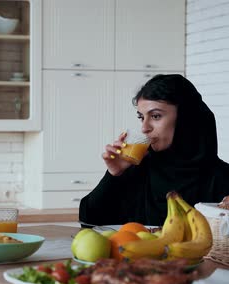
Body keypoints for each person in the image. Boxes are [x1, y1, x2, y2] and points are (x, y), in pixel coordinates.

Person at [79, 74, 229, 226]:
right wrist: (113, 175)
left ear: (186, 119)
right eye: (141, 117)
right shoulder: (138, 169)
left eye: (156, 116)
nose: (144, 128)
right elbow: (88, 221)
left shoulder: (223, 178)